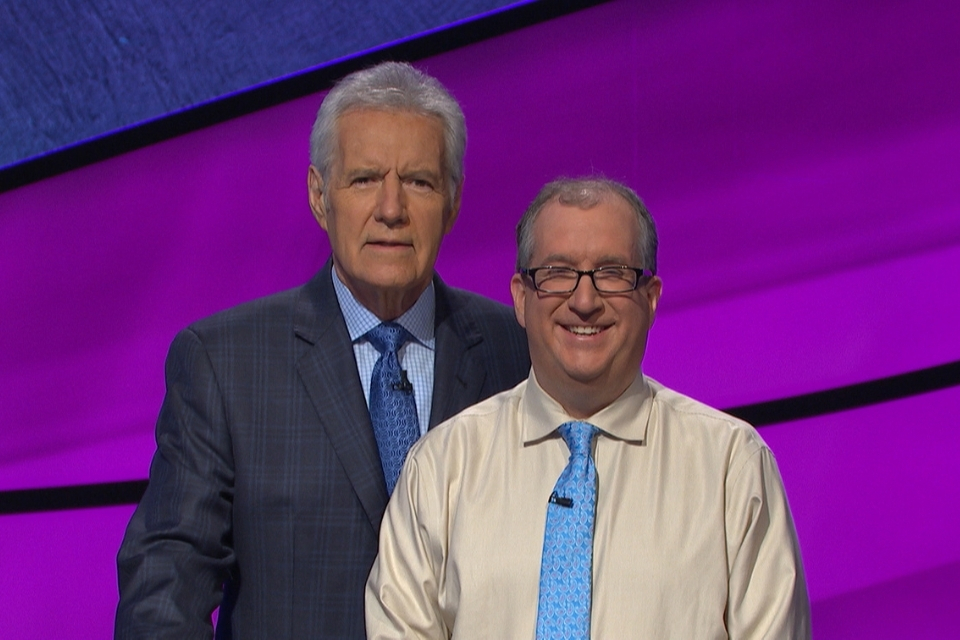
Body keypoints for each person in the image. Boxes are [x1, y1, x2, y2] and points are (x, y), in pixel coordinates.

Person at [115, 61, 530, 639]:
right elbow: (162, 590)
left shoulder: (518, 350)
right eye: (364, 179)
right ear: (318, 196)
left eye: (419, 181)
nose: (391, 209)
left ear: (454, 201)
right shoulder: (224, 363)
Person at [366, 177, 811, 639]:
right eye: (558, 272)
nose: (584, 301)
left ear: (651, 297)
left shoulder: (731, 468)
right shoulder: (439, 470)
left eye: (611, 273)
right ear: (521, 297)